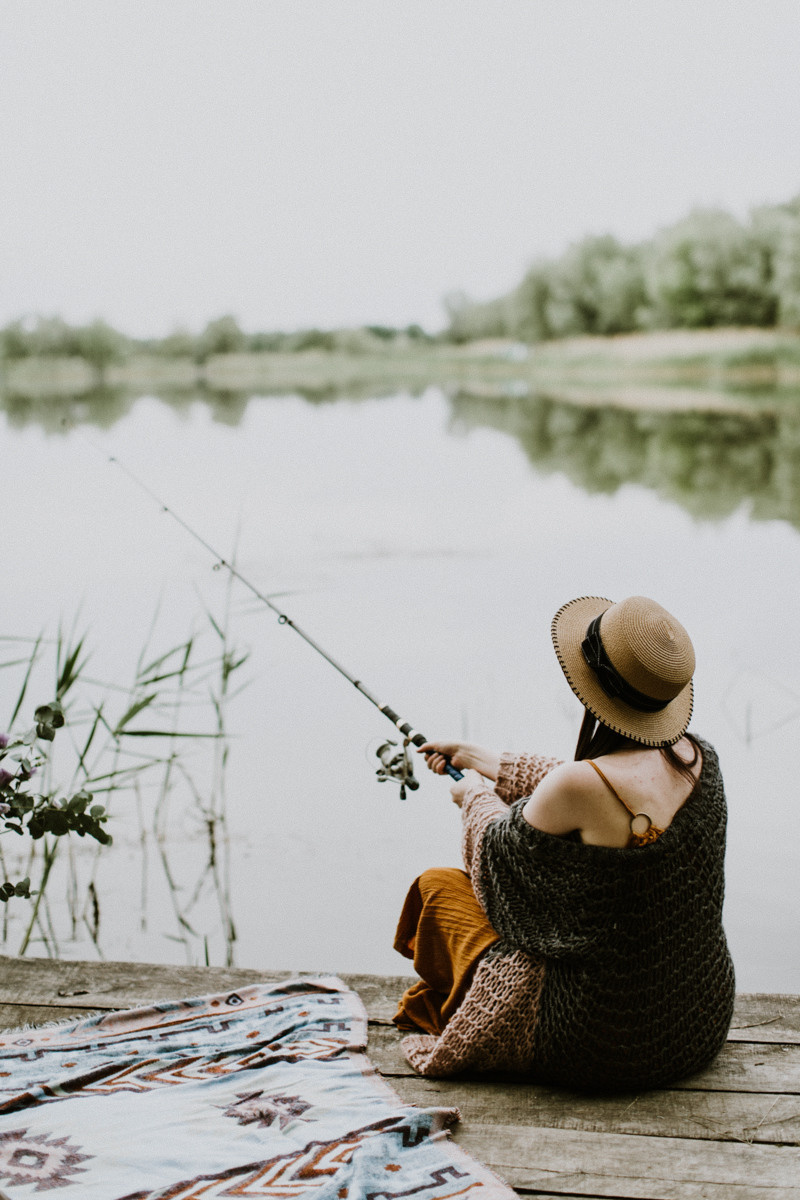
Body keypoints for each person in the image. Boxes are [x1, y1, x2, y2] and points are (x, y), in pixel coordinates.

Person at [392, 594, 735, 1091]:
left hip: (599, 1040)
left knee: (438, 887)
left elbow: (496, 862)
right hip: (695, 1021)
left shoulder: (580, 786)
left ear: (593, 686)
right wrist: (476, 754)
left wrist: (471, 795)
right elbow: (588, 788)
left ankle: (449, 1008)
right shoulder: (697, 759)